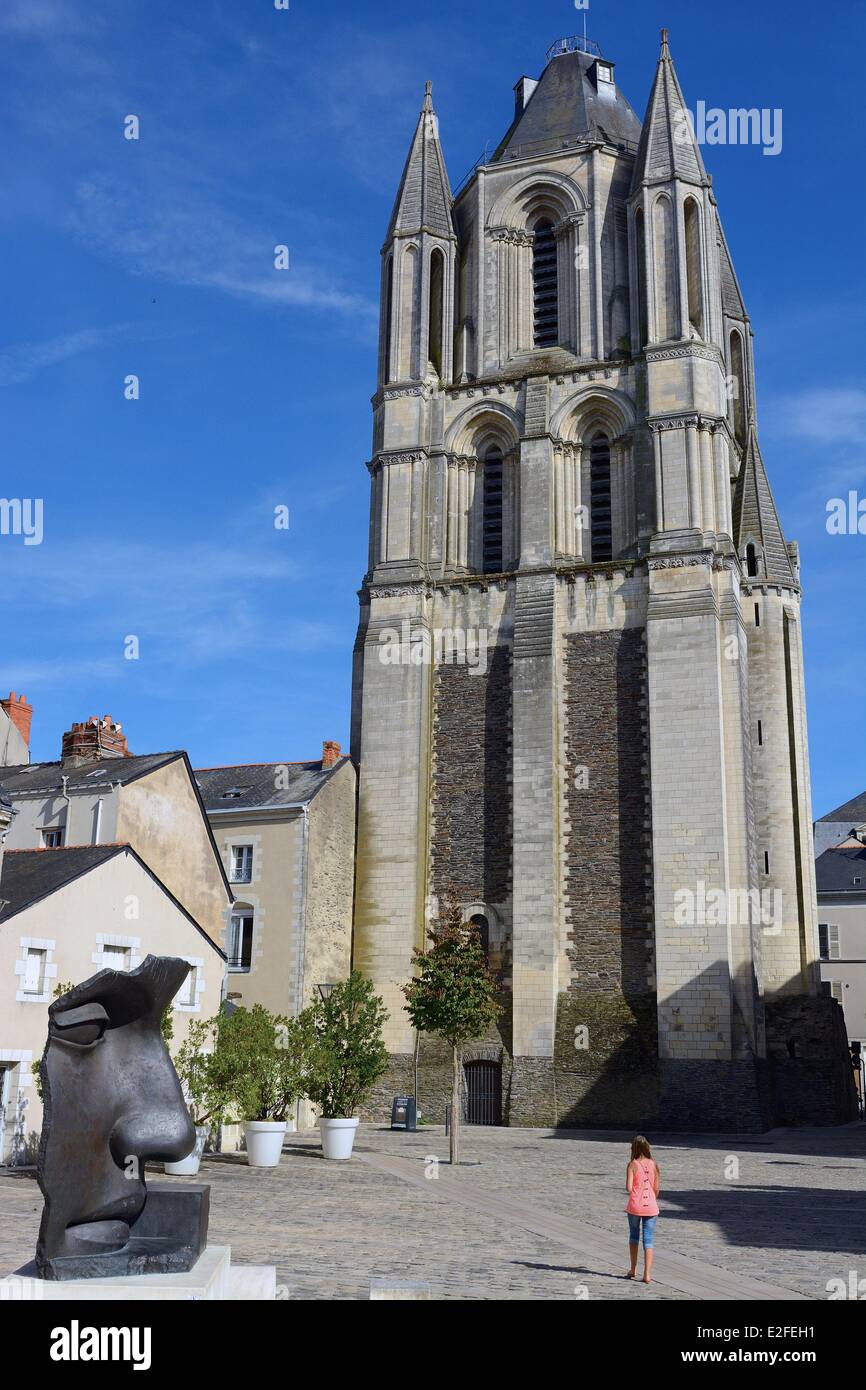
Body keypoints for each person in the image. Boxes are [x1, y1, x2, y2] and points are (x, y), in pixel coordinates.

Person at [626, 1134, 660, 1284]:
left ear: (633, 1148)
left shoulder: (632, 1164)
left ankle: (633, 1269)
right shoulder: (654, 1164)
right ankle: (647, 1274)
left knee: (634, 1236)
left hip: (635, 1206)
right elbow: (656, 1189)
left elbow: (629, 1188)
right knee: (649, 1240)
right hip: (651, 1206)